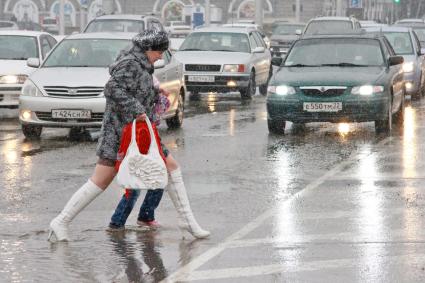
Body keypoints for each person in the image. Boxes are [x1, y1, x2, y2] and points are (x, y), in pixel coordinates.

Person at [48, 30, 210, 241]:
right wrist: (138, 110)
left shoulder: (141, 63)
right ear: (148, 49)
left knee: (171, 168)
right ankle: (61, 221)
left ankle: (187, 221)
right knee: (100, 181)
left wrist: (155, 95)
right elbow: (112, 88)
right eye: (160, 51)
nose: (161, 56)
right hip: (121, 132)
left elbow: (133, 90)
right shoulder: (131, 63)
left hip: (138, 131)